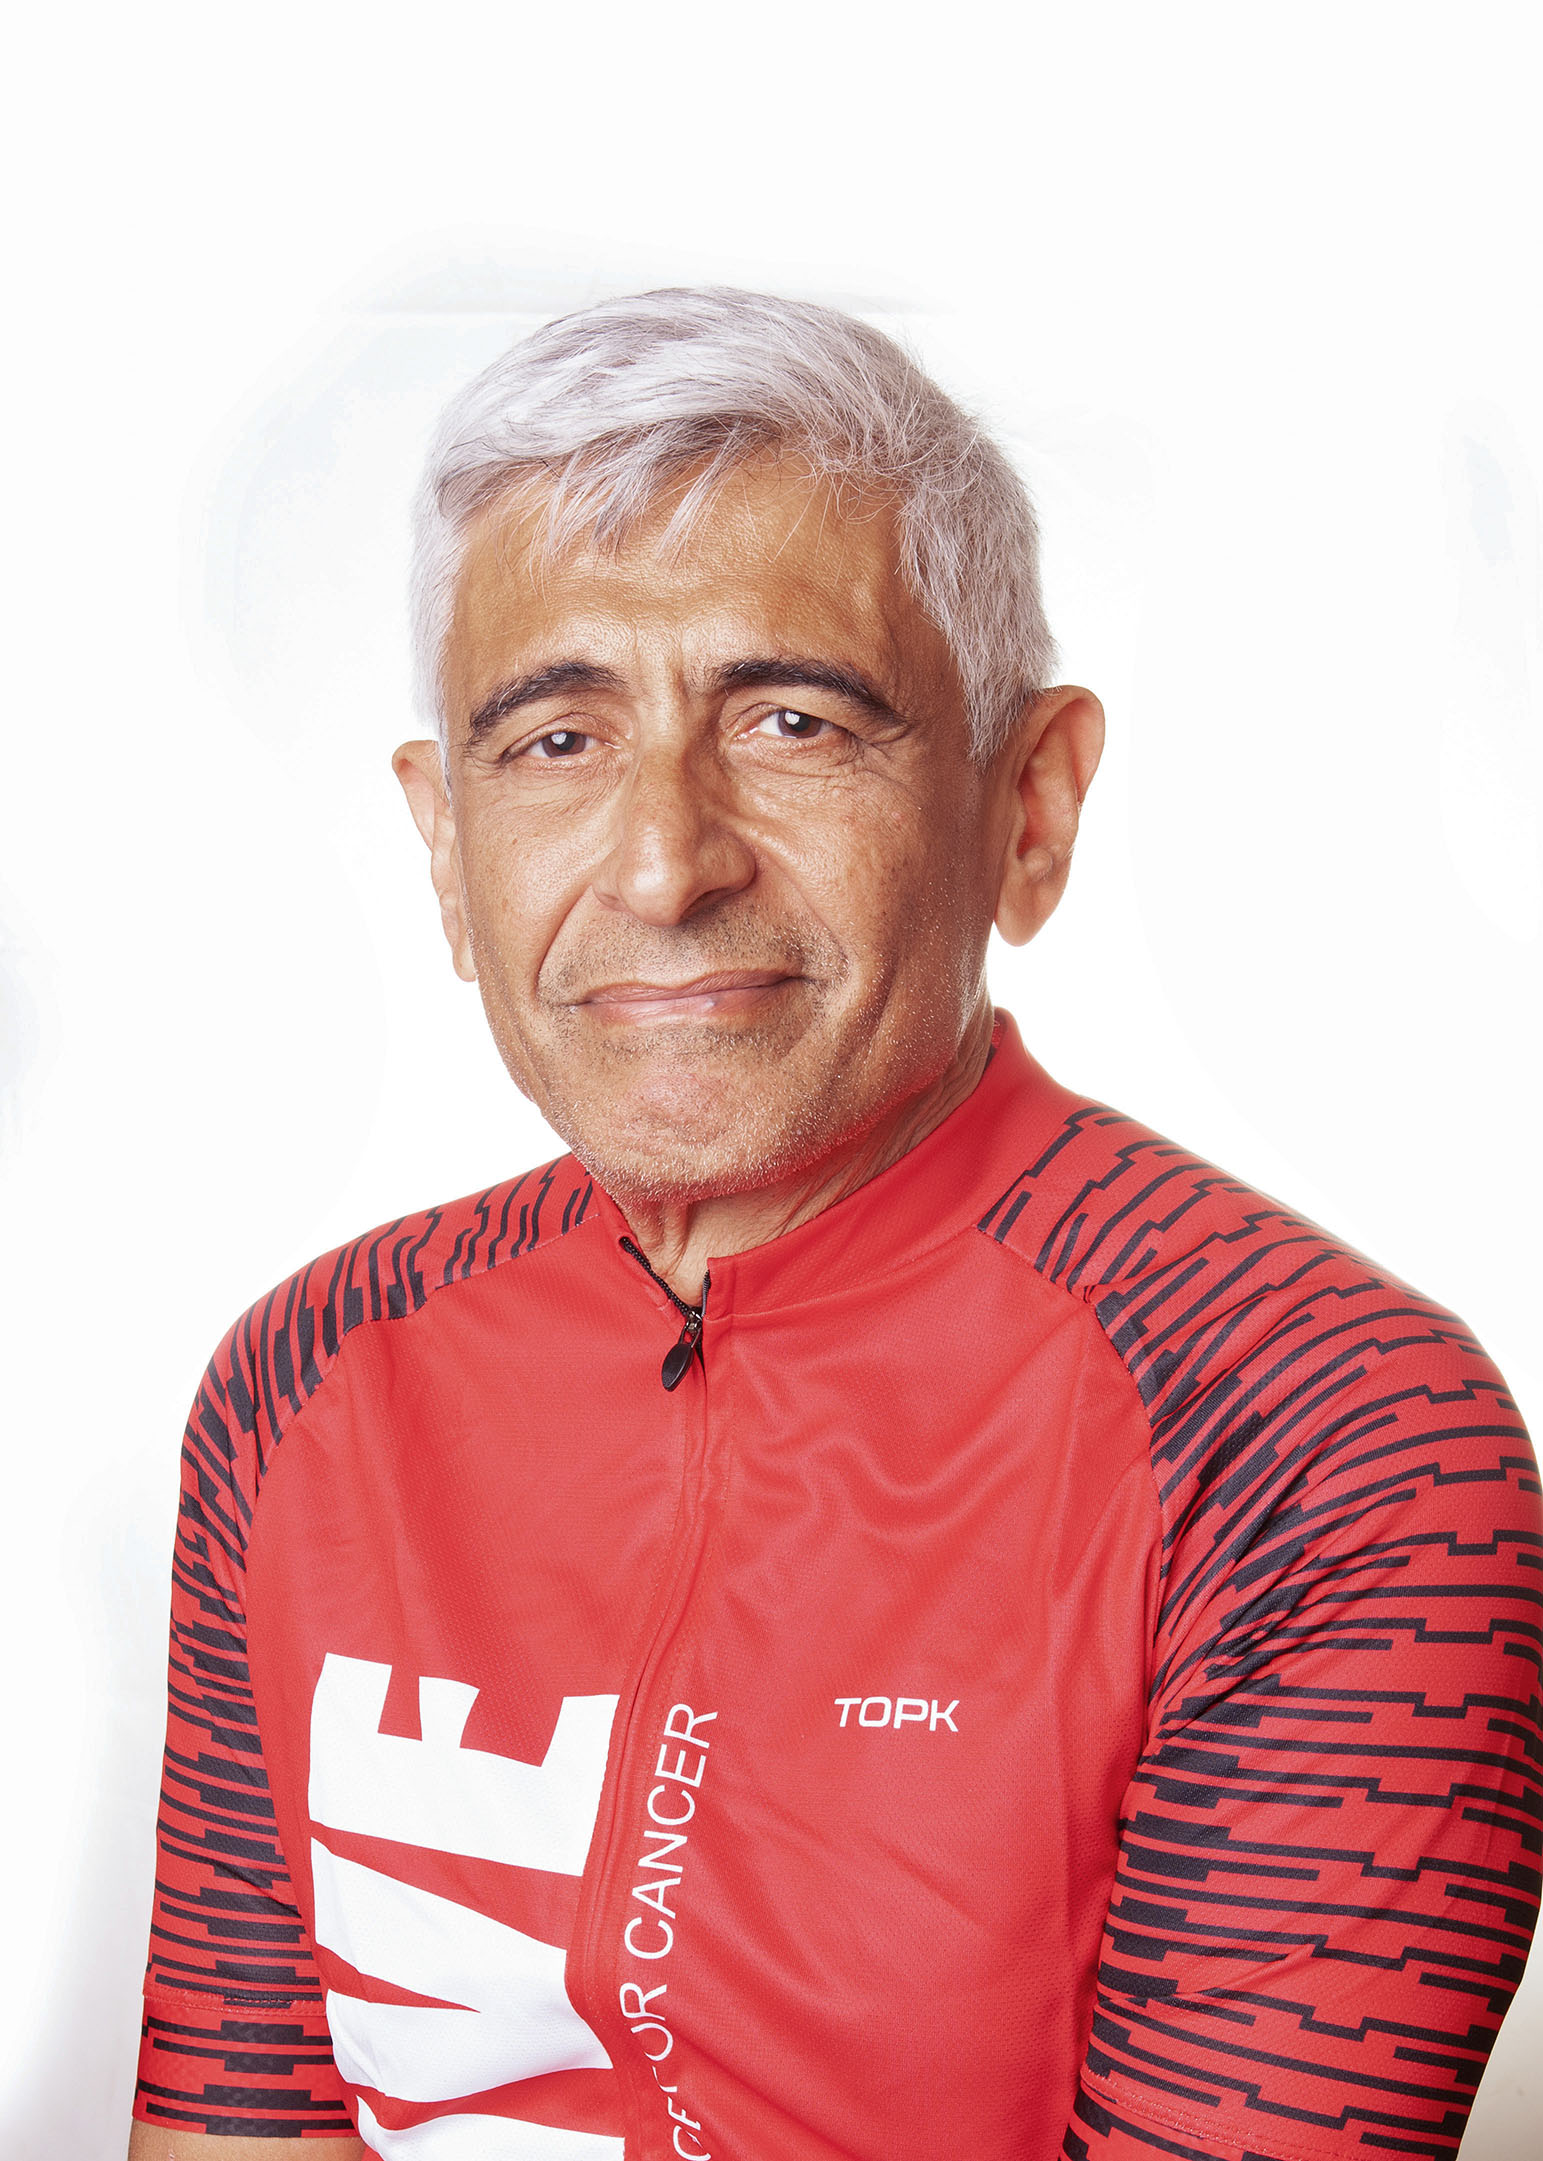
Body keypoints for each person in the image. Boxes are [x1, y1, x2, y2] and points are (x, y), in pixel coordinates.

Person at [127, 289, 1540, 2161]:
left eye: (792, 720)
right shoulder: (308, 1382)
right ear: (445, 847)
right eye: (554, 739)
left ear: (1027, 805)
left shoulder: (1324, 1433)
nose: (663, 862)